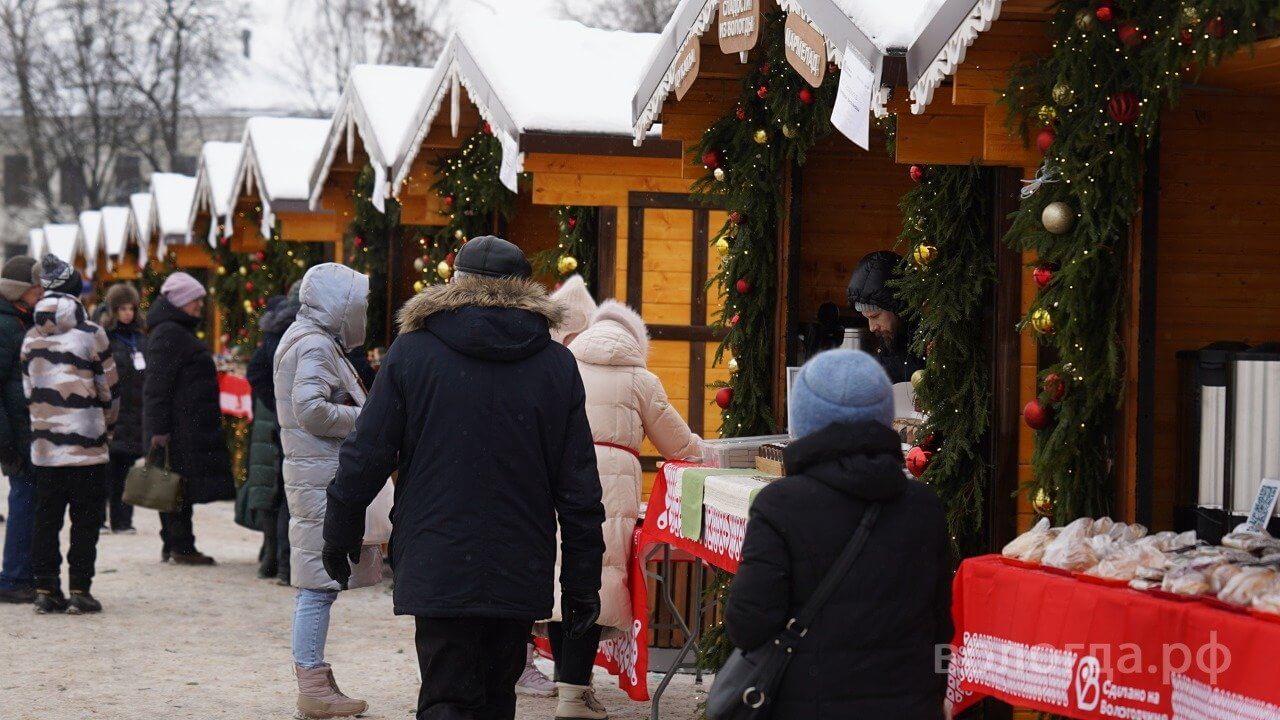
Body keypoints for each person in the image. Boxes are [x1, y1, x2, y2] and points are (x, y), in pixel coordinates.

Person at [323, 236, 606, 720]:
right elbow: (578, 485)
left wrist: (340, 526)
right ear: (524, 289)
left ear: (454, 282)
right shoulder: (556, 365)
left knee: (446, 696)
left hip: (438, 552)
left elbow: (366, 452)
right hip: (519, 556)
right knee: (498, 696)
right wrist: (583, 583)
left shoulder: (413, 353)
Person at [725, 349, 951, 719]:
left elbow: (748, 626)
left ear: (804, 421)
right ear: (882, 419)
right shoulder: (924, 506)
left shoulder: (779, 505)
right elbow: (940, 627)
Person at [546, 298, 703, 719]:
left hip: (560, 478)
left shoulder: (563, 367)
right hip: (612, 486)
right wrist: (708, 455)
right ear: (636, 340)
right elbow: (678, 444)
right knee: (596, 580)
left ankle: (568, 689)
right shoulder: (641, 379)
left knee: (565, 580)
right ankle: (574, 697)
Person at [273, 263, 371, 719]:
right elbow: (312, 410)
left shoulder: (313, 340)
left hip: (316, 473)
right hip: (319, 477)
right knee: (317, 584)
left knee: (320, 581)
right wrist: (369, 419)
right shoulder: (314, 343)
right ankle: (312, 683)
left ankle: (316, 678)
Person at [22, 255, 118, 614]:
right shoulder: (92, 334)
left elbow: (28, 389)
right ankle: (80, 587)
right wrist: (106, 427)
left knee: (46, 517)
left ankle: (46, 589)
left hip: (46, 445)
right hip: (87, 443)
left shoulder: (31, 337)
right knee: (86, 518)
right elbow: (109, 388)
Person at [143, 272, 233, 565]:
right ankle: (180, 545)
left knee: (177, 485)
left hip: (184, 424)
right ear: (181, 301)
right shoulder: (170, 333)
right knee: (175, 485)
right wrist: (159, 430)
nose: (199, 305)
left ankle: (176, 543)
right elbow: (157, 386)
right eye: (196, 300)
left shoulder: (173, 330)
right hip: (177, 427)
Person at [241, 292, 298, 582]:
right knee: (289, 495)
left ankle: (271, 559)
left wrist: (275, 404)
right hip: (289, 424)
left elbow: (255, 373)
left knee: (271, 492)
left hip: (271, 423)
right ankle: (285, 565)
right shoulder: (300, 331)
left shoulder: (275, 331)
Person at [0, 256, 43, 604]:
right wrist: (6, 442)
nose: (41, 292)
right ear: (20, 291)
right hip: (17, 434)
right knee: (24, 500)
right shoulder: (7, 325)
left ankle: (20, 573)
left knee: (28, 500)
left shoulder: (18, 320)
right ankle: (14, 577)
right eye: (36, 287)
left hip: (22, 430)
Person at [102, 283, 146, 534]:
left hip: (135, 411)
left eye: (131, 308)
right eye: (122, 308)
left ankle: (123, 519)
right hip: (113, 410)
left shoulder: (140, 338)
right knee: (108, 470)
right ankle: (101, 518)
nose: (127, 313)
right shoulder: (106, 338)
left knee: (127, 468)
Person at [846, 251, 925, 383]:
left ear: (899, 308)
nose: (871, 327)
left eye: (875, 316)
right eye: (867, 318)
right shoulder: (892, 338)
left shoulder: (930, 340)